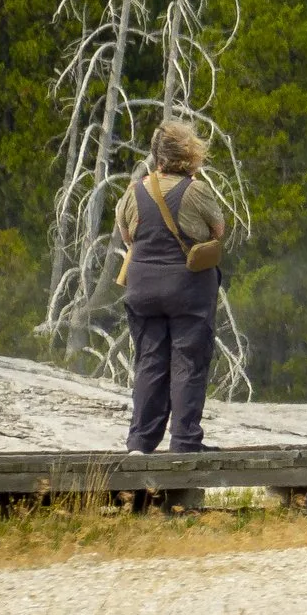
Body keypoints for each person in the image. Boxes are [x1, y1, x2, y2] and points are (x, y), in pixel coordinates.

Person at [115, 120, 230, 454]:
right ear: (189, 155)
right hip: (188, 289)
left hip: (142, 287)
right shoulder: (196, 190)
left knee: (149, 361)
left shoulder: (135, 190)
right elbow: (218, 230)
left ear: (157, 156)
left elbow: (126, 235)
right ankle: (184, 442)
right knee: (188, 362)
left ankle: (140, 444)